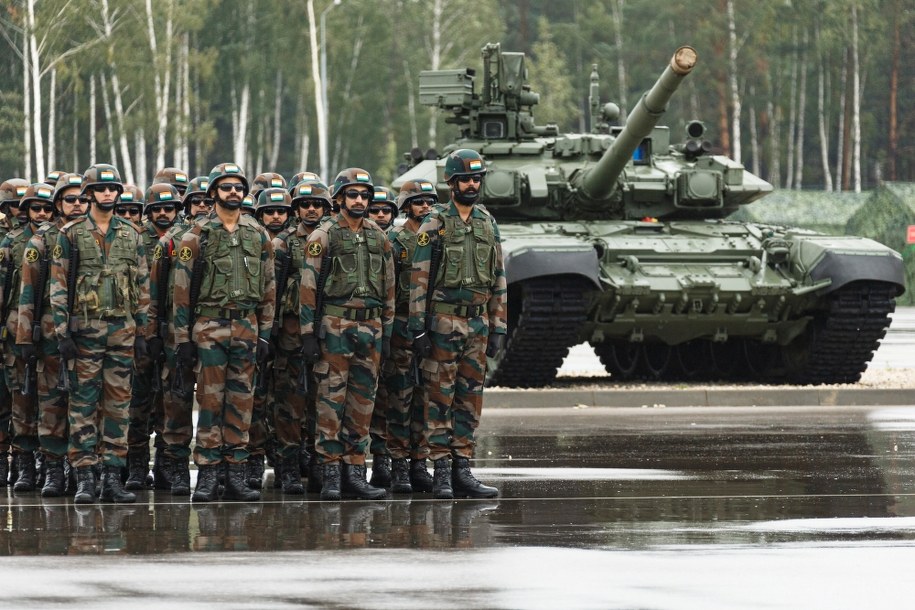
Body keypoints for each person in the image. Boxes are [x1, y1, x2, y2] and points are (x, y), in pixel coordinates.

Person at [172, 162, 275, 503]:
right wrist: (183, 339)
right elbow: (181, 291)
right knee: (210, 402)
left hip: (246, 325)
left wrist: (264, 333)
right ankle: (207, 475)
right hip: (209, 326)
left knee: (242, 403)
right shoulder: (196, 235)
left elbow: (269, 288)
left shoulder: (257, 234)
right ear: (214, 192)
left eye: (238, 187)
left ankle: (235, 476)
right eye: (227, 187)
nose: (234, 192)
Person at [50, 163, 150, 504]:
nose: (108, 194)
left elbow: (142, 284)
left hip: (122, 332)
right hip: (85, 332)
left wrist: (142, 330)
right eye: (101, 189)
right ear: (89, 194)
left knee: (119, 406)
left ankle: (112, 478)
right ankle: (84, 478)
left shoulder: (132, 234)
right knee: (82, 405)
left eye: (113, 189)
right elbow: (59, 286)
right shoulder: (71, 234)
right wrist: (62, 332)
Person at [409, 149, 505, 499]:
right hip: (443, 321)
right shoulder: (434, 223)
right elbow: (419, 278)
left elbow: (498, 277)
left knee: (470, 398)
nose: (471, 184)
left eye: (476, 179)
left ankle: (463, 468)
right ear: (451, 183)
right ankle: (441, 473)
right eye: (465, 179)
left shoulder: (487, 222)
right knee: (439, 398)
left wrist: (499, 326)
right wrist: (419, 327)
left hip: (477, 323)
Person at [299, 168, 394, 500]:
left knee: (362, 403)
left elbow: (389, 287)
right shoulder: (324, 235)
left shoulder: (378, 236)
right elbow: (308, 287)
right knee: (330, 402)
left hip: (371, 328)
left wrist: (387, 331)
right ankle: (330, 475)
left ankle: (355, 473)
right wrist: (308, 333)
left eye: (364, 195)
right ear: (339, 198)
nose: (359, 201)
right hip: (335, 327)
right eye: (353, 194)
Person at [16, 173, 86, 497]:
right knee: (52, 405)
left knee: (85, 407)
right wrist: (24, 339)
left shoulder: (93, 236)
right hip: (48, 334)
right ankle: (54, 470)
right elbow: (27, 293)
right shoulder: (42, 240)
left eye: (82, 199)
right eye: (70, 199)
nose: (77, 205)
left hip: (86, 334)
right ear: (58, 203)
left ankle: (81, 471)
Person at [270, 180, 331, 495]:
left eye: (317, 205)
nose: (311, 209)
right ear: (296, 209)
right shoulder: (283, 244)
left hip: (325, 332)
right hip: (290, 335)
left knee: (322, 402)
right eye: (305, 204)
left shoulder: (332, 238)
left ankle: (319, 465)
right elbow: (272, 290)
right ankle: (288, 467)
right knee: (290, 403)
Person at [380, 179, 438, 493]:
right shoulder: (393, 240)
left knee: (425, 398)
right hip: (402, 325)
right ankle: (399, 465)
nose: (425, 207)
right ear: (406, 206)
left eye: (429, 201)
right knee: (399, 399)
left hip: (432, 326)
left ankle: (419, 462)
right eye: (418, 202)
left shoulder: (440, 236)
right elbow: (386, 286)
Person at [124, 183, 181, 491]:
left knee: (170, 402)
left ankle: (165, 464)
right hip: (141, 331)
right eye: (157, 209)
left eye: (168, 208)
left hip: (174, 330)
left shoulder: (187, 237)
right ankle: (136, 464)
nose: (163, 213)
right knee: (138, 400)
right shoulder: (135, 238)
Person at [0, 183, 56, 491]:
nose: (42, 214)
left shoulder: (61, 238)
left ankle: (50, 464)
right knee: (21, 399)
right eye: (36, 208)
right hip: (15, 330)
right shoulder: (12, 242)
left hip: (50, 328)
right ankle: (24, 463)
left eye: (48, 208)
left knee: (51, 401)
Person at [245, 186, 292, 490]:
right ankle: (253, 459)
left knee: (287, 399)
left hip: (290, 332)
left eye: (281, 211)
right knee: (254, 398)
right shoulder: (253, 241)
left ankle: (287, 460)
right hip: (256, 331)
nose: (276, 217)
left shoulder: (294, 243)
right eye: (270, 212)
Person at [0, 178, 28, 485]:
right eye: (13, 206)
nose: (19, 211)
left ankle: (24, 461)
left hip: (22, 324)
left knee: (23, 395)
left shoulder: (33, 238)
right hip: (8, 321)